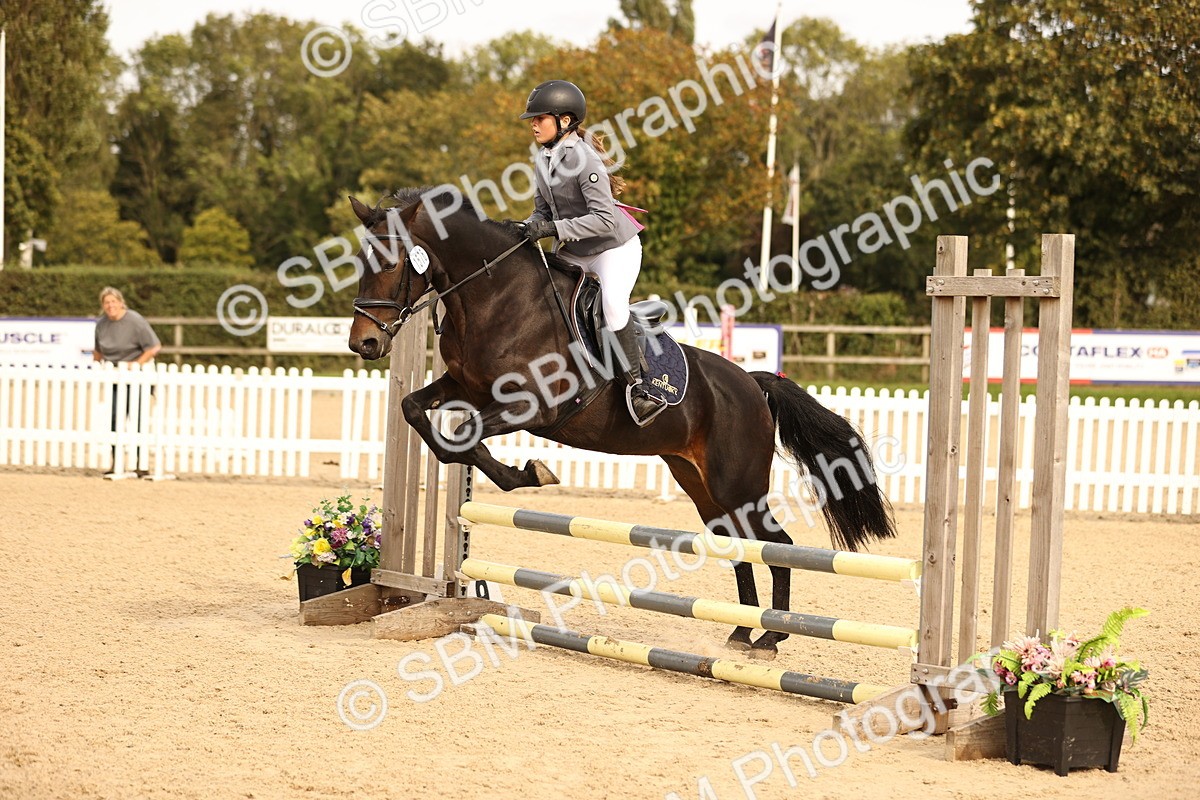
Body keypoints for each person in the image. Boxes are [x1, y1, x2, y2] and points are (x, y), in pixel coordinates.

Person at [517, 79, 668, 428]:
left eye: (540, 118)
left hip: (613, 248)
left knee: (613, 306)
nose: (533, 124)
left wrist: (552, 229)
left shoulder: (584, 160)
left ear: (565, 121)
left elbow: (602, 219)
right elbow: (542, 212)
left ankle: (638, 387)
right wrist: (523, 228)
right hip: (575, 249)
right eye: (533, 119)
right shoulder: (543, 158)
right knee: (543, 297)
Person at [93, 287, 161, 476]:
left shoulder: (135, 321)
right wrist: (96, 365)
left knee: (138, 418)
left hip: (138, 375)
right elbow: (98, 350)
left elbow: (154, 347)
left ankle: (142, 464)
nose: (110, 306)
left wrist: (136, 365)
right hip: (116, 377)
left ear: (121, 302)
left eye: (113, 302)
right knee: (115, 417)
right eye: (106, 303)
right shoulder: (102, 325)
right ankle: (117, 462)